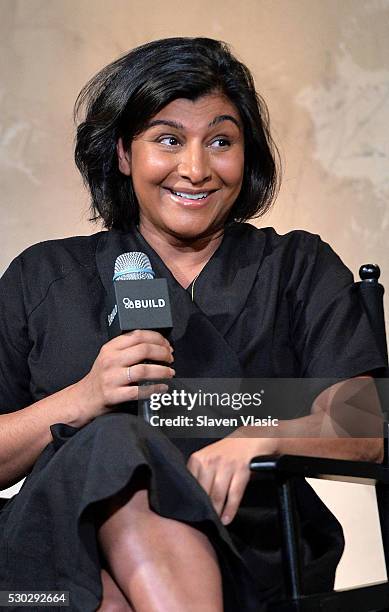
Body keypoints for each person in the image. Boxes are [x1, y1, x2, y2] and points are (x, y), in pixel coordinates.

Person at [0, 37, 386, 612]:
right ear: (125, 155)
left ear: (246, 156)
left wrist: (264, 434)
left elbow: (367, 419)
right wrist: (80, 400)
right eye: (168, 139)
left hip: (249, 551)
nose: (196, 168)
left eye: (221, 141)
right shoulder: (45, 275)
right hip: (49, 557)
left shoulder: (295, 267)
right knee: (105, 450)